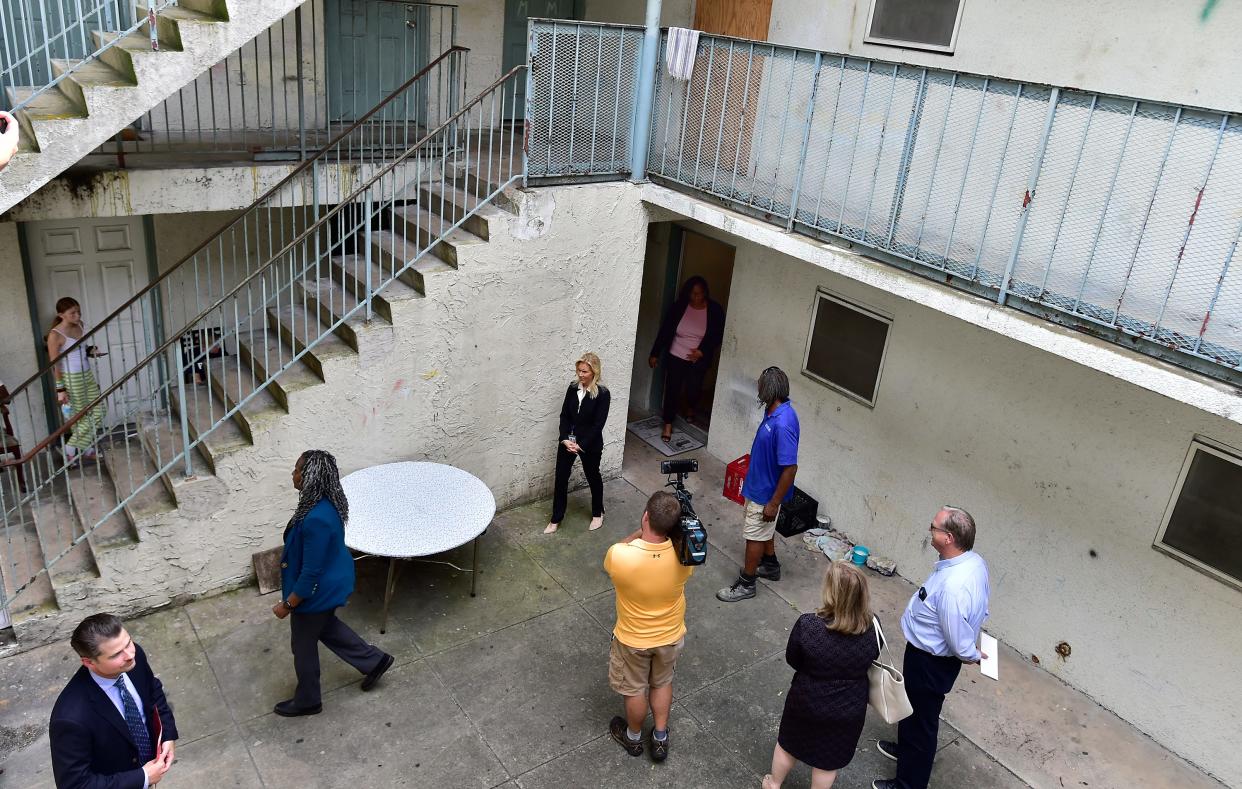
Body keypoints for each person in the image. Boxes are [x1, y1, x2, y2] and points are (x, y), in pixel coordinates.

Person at [872, 506, 991, 789]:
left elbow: (958, 639)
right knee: (913, 710)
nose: (929, 529)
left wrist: (973, 655)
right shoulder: (972, 562)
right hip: (926, 658)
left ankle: (908, 784)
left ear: (948, 537)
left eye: (933, 527)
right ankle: (907, 752)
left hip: (930, 662)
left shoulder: (953, 587)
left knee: (921, 724)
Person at [273, 449, 394, 716]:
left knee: (302, 645)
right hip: (331, 581)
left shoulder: (316, 517)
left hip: (318, 591)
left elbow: (310, 573)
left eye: (296, 470)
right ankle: (374, 661)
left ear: (310, 476)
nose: (292, 475)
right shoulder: (325, 503)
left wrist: (289, 604)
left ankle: (308, 699)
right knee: (326, 627)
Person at [765, 562, 879, 789]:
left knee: (789, 745)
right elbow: (872, 656)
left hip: (807, 700)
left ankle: (773, 784)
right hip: (849, 706)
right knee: (827, 762)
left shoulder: (808, 625)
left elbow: (793, 659)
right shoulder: (873, 627)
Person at [603, 491, 694, 761]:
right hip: (671, 635)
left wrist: (638, 532)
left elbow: (618, 550)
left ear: (645, 517)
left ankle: (632, 738)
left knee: (634, 689)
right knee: (662, 682)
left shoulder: (622, 557)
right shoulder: (685, 554)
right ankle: (660, 736)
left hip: (633, 639)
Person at [49, 613, 178, 787]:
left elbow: (153, 691)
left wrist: (166, 735)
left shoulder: (134, 657)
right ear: (89, 662)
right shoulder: (70, 719)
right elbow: (75, 784)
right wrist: (143, 777)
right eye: (116, 654)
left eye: (128, 642)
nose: (130, 654)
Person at [717, 366, 799, 602]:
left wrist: (773, 503)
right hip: (758, 486)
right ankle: (771, 565)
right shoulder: (774, 412)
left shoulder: (783, 423)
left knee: (753, 535)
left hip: (766, 494)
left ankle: (747, 583)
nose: (758, 390)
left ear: (770, 391)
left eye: (761, 386)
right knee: (764, 529)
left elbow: (790, 468)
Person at [647, 276, 725, 442]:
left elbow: (718, 334)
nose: (696, 297)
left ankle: (691, 407)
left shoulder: (714, 310)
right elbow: (665, 330)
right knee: (672, 389)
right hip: (676, 354)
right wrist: (655, 353)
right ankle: (668, 423)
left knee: (693, 388)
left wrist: (702, 351)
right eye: (693, 294)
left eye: (700, 294)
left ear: (705, 293)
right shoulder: (679, 306)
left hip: (698, 359)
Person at [544, 352, 610, 535]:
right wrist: (564, 438)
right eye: (579, 370)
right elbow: (565, 415)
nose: (581, 375)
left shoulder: (603, 394)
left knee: (592, 476)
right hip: (568, 441)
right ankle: (556, 518)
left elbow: (598, 425)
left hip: (589, 444)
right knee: (561, 478)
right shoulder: (572, 388)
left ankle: (598, 512)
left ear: (594, 372)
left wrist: (581, 444)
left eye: (585, 371)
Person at [47, 297, 107, 463]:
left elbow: (80, 348)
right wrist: (60, 390)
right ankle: (79, 449)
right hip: (71, 378)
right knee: (80, 416)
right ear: (61, 315)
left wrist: (91, 350)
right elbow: (54, 364)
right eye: (72, 313)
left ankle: (72, 448)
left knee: (100, 410)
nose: (77, 315)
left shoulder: (80, 325)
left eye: (78, 311)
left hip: (87, 374)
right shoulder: (55, 335)